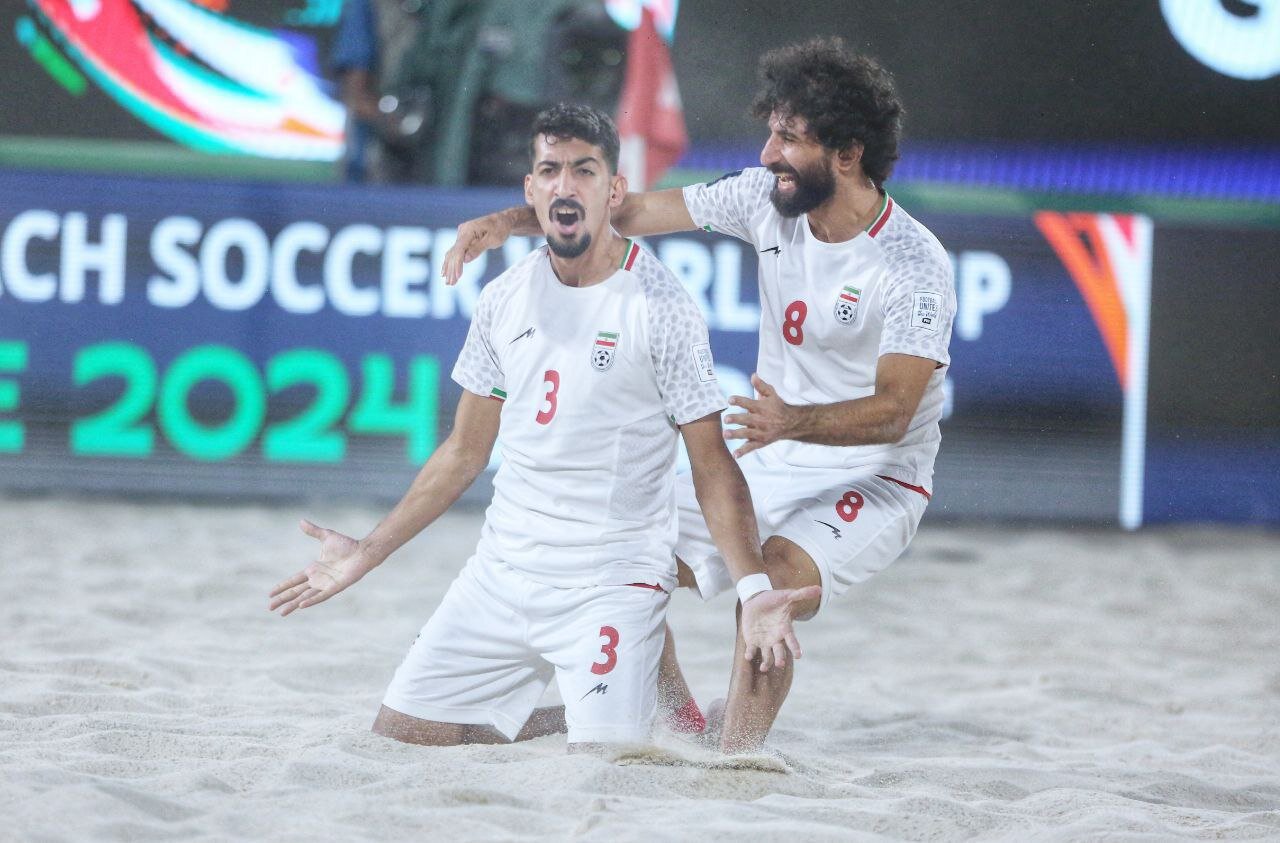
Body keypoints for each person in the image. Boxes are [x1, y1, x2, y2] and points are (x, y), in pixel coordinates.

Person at [440, 38, 957, 752]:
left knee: (768, 584)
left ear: (847, 154)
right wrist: (505, 222)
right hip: (774, 444)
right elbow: (621, 212)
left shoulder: (912, 262)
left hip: (878, 476)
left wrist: (791, 419)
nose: (769, 151)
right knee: (630, 558)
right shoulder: (763, 198)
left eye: (790, 139)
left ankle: (733, 758)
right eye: (770, 130)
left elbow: (896, 410)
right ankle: (679, 721)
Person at [269, 103, 817, 750]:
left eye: (584, 170)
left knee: (609, 761)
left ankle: (632, 704)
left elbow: (711, 466)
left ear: (614, 191)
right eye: (550, 170)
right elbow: (463, 453)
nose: (565, 184)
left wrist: (754, 589)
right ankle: (612, 709)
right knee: (403, 734)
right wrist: (367, 550)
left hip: (610, 582)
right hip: (501, 572)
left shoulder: (662, 307)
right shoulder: (503, 297)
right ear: (531, 190)